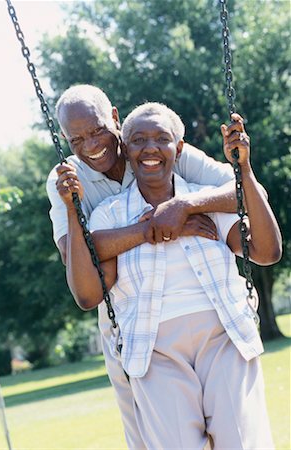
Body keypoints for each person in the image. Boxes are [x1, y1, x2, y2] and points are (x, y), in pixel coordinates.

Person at [67, 103, 282, 449]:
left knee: (241, 442)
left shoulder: (205, 198)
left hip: (224, 335)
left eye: (161, 139)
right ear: (125, 147)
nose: (150, 148)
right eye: (138, 140)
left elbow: (266, 252)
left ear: (178, 149)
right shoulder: (109, 216)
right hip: (153, 349)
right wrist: (72, 207)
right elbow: (88, 296)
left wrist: (243, 168)